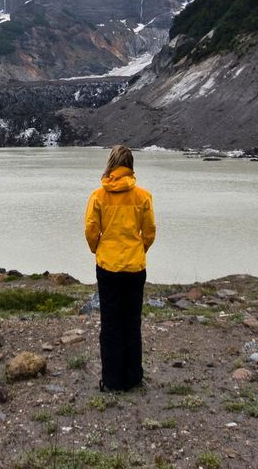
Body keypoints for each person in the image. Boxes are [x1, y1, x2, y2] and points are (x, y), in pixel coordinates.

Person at [83, 144, 156, 391]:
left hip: (108, 266)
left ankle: (112, 380)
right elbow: (149, 232)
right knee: (132, 322)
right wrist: (139, 249)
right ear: (130, 166)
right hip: (135, 267)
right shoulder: (143, 196)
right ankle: (133, 377)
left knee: (111, 323)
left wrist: (98, 249)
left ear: (110, 165)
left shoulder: (98, 196)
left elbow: (91, 230)